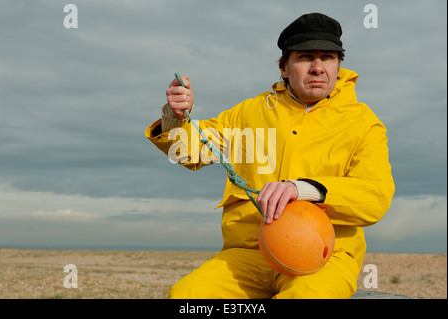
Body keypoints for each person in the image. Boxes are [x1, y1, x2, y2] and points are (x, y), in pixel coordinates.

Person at [145, 13, 395, 299]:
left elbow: (376, 196)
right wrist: (175, 116)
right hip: (249, 254)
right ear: (284, 67)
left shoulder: (363, 122)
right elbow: (187, 152)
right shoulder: (248, 112)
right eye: (305, 57)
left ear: (339, 65)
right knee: (188, 296)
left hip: (324, 259)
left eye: (327, 57)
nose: (317, 67)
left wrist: (301, 190)